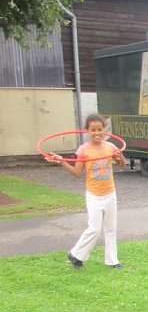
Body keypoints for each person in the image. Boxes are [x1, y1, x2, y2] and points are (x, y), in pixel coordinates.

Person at [48, 113, 126, 268]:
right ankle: (76, 254)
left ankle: (112, 261)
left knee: (111, 229)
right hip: (94, 195)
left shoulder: (111, 147)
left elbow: (122, 165)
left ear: (104, 130)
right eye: (93, 129)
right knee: (94, 228)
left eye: (99, 129)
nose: (97, 133)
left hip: (110, 193)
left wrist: (120, 156)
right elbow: (77, 172)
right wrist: (61, 161)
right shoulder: (83, 150)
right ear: (87, 131)